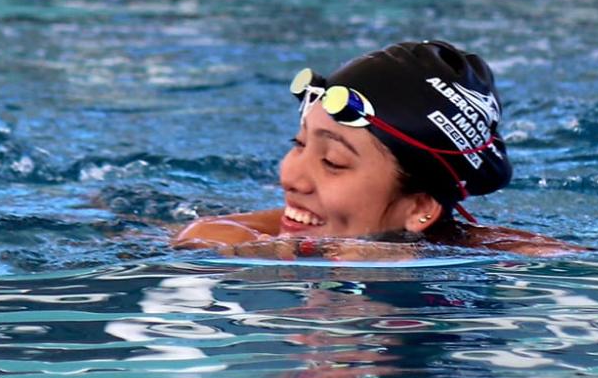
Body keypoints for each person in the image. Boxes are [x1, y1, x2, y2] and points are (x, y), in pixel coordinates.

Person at [173, 40, 570, 256]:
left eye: (332, 161)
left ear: (420, 208)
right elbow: (210, 234)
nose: (290, 176)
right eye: (299, 144)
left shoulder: (499, 260)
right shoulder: (258, 237)